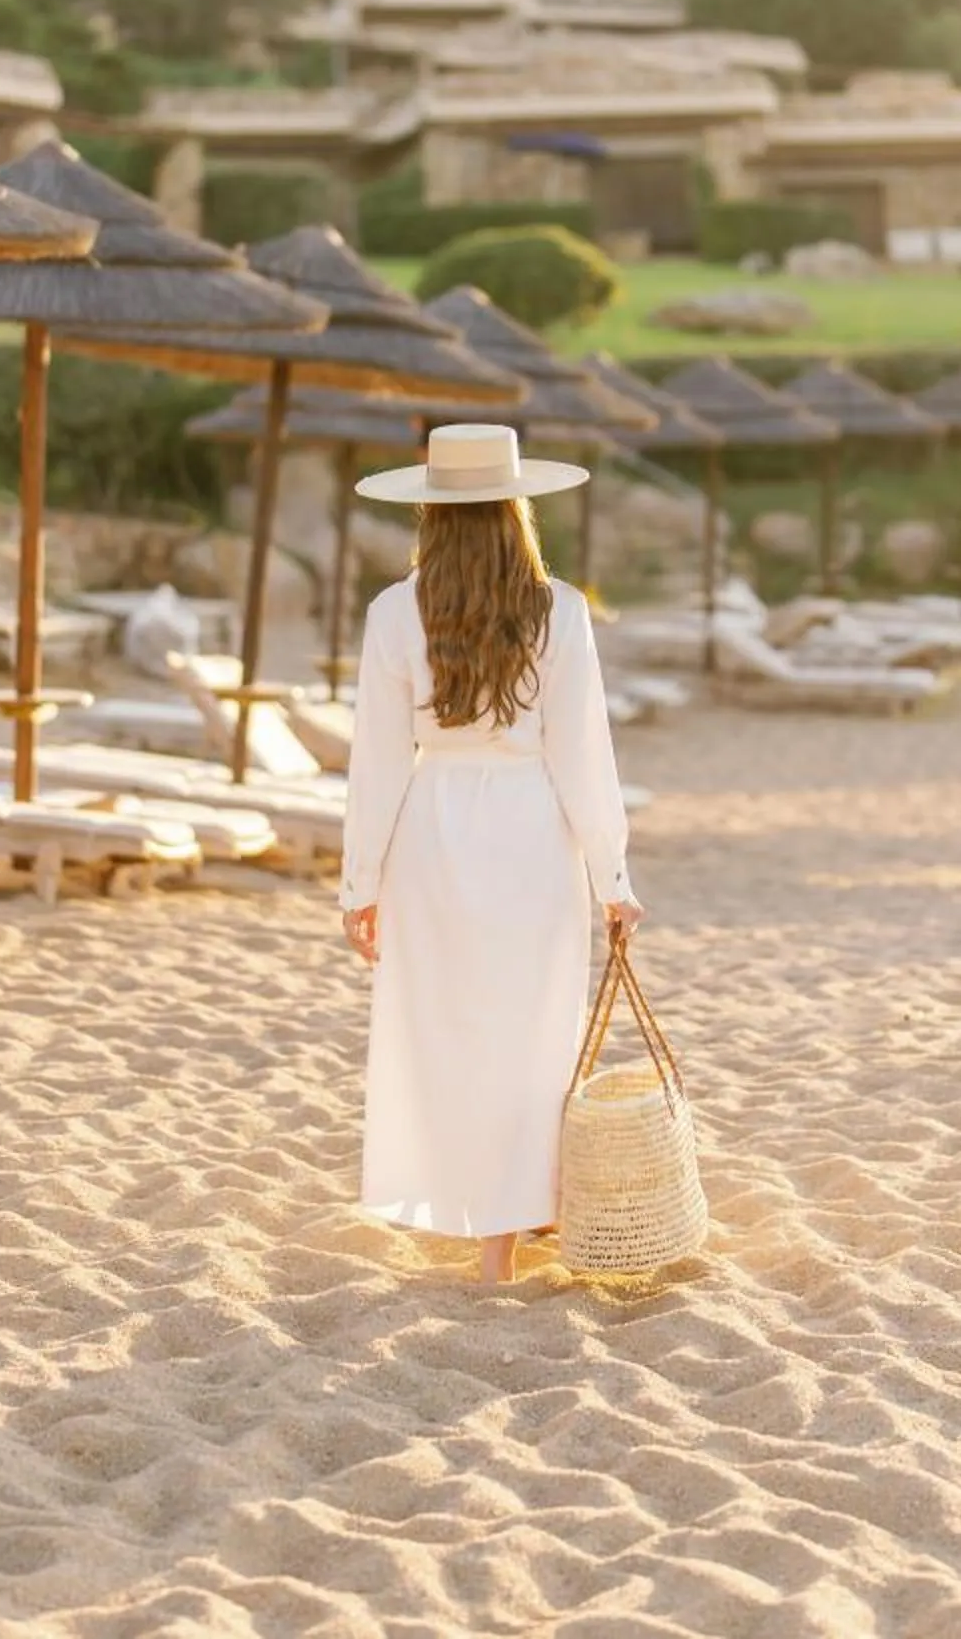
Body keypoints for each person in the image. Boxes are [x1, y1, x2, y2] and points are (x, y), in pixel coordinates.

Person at [337, 422, 643, 1285]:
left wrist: (359, 884)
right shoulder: (560, 610)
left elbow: (377, 761)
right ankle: (506, 1231)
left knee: (447, 1030)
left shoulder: (394, 613)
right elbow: (583, 755)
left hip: (431, 835)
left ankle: (488, 1209)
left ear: (431, 514)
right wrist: (613, 875)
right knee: (530, 1030)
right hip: (531, 835)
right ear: (517, 511)